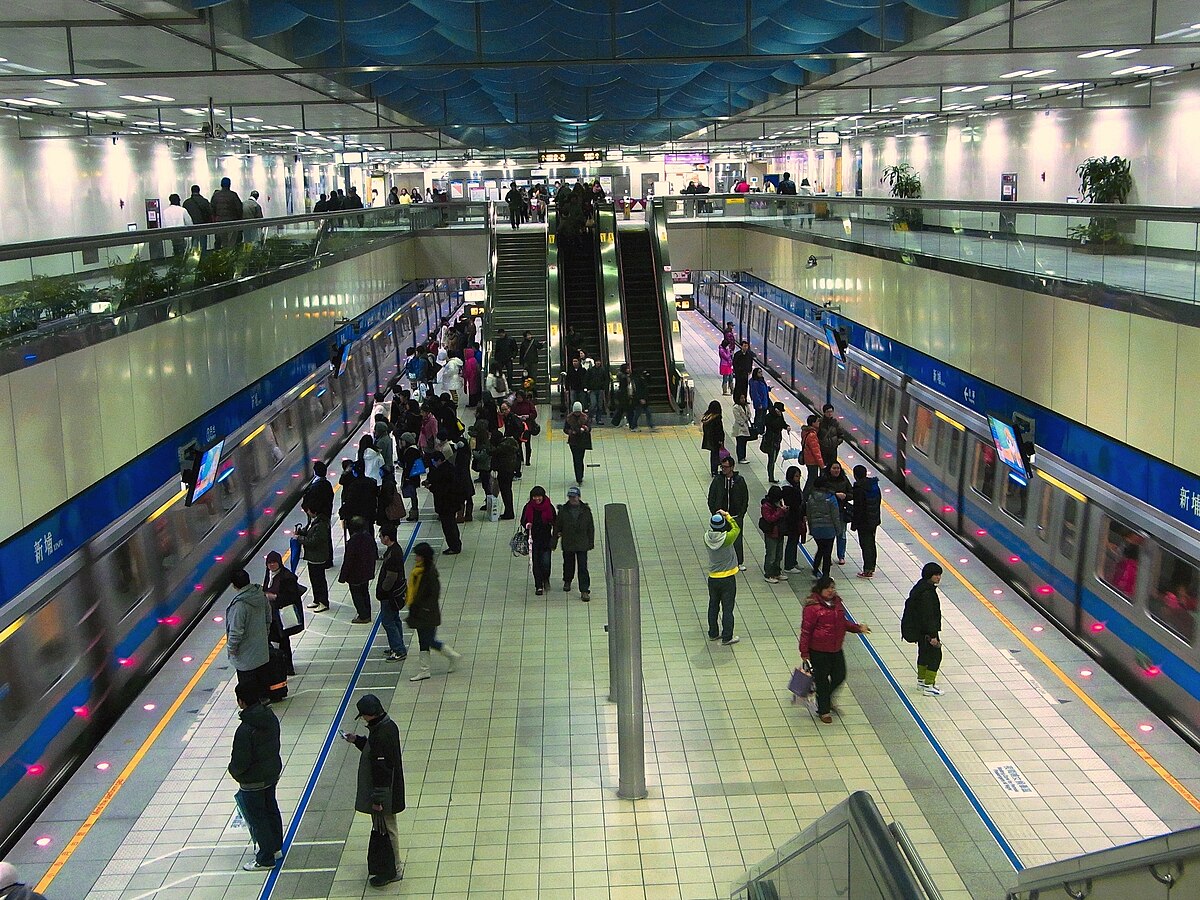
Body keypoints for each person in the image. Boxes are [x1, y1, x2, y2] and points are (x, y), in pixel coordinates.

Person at [342, 694, 405, 888]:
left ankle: (394, 867)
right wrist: (358, 740)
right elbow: (375, 750)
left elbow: (382, 769)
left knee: (388, 829)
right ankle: (392, 865)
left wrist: (378, 800)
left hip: (385, 793)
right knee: (387, 827)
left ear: (368, 715)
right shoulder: (387, 726)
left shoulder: (381, 734)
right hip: (389, 790)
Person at [228, 682, 283, 871]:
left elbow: (240, 762)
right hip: (271, 774)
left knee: (258, 818)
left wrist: (233, 771)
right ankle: (276, 847)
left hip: (253, 781)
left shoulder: (245, 730)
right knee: (271, 809)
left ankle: (265, 858)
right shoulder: (270, 717)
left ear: (241, 701)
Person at [800, 577, 870, 723]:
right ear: (820, 590)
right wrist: (804, 652)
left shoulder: (837, 603)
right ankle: (823, 710)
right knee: (822, 680)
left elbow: (842, 622)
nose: (831, 591)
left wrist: (857, 628)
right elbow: (806, 630)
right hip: (818, 650)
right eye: (828, 588)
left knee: (839, 675)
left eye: (833, 587)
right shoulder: (812, 607)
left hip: (836, 648)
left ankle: (826, 698)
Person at [405, 542, 461, 680]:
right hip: (419, 612)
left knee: (428, 640)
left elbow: (433, 594)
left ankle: (452, 655)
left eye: (418, 555)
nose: (415, 558)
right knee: (423, 642)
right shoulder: (418, 571)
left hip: (427, 613)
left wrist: (423, 608)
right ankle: (425, 670)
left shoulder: (429, 573)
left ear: (424, 557)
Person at [226, 569, 271, 701]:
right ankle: (265, 703)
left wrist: (231, 649)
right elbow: (268, 618)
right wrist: (264, 636)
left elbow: (236, 631)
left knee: (249, 690)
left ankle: (253, 709)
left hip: (245, 657)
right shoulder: (261, 595)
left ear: (234, 585)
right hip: (261, 652)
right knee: (262, 685)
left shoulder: (240, 605)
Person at [902, 563, 945, 696]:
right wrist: (933, 636)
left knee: (923, 654)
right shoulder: (927, 593)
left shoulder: (919, 588)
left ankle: (921, 681)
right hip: (927, 631)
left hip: (919, 630)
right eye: (936, 575)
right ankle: (929, 685)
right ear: (929, 576)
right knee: (935, 655)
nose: (939, 578)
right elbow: (928, 616)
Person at [262, 550, 301, 685]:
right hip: (271, 615)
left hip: (282, 616)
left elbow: (292, 596)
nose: (272, 565)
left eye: (274, 562)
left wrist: (276, 597)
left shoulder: (287, 577)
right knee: (273, 641)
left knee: (283, 641)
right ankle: (278, 666)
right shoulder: (269, 574)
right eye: (269, 563)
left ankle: (288, 666)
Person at [704, 511, 741, 646]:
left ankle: (713, 633)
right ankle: (727, 636)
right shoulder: (727, 538)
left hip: (713, 578)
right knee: (727, 608)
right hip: (727, 578)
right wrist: (728, 516)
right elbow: (736, 528)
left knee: (713, 606)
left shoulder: (706, 537)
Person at [707, 455, 750, 570]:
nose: (723, 469)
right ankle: (725, 561)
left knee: (737, 539)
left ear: (732, 467)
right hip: (721, 517)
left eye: (726, 467)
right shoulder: (718, 480)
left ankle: (739, 562)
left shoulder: (739, 480)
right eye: (722, 467)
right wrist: (714, 512)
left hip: (735, 515)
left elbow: (745, 497)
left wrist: (741, 513)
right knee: (723, 541)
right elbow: (711, 496)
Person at [376, 525, 408, 661]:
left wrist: (383, 590)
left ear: (387, 537)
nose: (380, 538)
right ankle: (397, 645)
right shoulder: (395, 549)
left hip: (390, 595)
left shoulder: (393, 554)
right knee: (394, 619)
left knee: (388, 621)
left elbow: (391, 577)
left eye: (381, 536)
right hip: (394, 594)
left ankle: (398, 649)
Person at [556, 486, 594, 601]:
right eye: (570, 497)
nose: (572, 499)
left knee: (583, 567)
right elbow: (558, 526)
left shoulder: (585, 510)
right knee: (568, 564)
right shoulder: (563, 511)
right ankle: (567, 580)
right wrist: (553, 541)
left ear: (579, 497)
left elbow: (590, 527)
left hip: (582, 543)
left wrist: (590, 542)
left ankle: (584, 590)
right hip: (568, 542)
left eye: (574, 496)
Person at [340, 517, 379, 624]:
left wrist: (343, 576)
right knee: (365, 592)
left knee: (357, 595)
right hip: (366, 571)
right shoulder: (368, 537)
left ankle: (363, 615)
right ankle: (367, 613)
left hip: (355, 574)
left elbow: (348, 560)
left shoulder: (353, 541)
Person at [425, 448, 463, 555]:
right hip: (450, 503)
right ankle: (456, 544)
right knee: (451, 525)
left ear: (439, 460)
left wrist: (431, 487)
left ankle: (454, 546)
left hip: (446, 503)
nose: (433, 463)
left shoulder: (445, 471)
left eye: (434, 461)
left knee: (448, 526)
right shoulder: (447, 468)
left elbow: (442, 489)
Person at [522, 486, 557, 595]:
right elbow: (523, 520)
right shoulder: (528, 507)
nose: (537, 499)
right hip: (533, 540)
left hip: (546, 539)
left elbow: (555, 521)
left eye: (539, 496)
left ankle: (545, 578)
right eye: (534, 497)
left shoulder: (549, 507)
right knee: (536, 563)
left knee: (546, 563)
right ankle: (538, 585)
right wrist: (527, 524)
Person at [817, 461, 853, 565]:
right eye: (834, 468)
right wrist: (835, 494)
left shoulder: (844, 479)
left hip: (841, 511)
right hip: (828, 512)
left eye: (838, 468)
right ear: (829, 469)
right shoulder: (825, 481)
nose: (836, 470)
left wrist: (846, 496)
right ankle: (827, 556)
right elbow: (821, 492)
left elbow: (851, 492)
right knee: (829, 535)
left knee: (841, 534)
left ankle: (841, 556)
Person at [851, 465, 882, 578]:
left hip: (864, 522)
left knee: (865, 545)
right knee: (872, 543)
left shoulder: (859, 489)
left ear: (855, 475)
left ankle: (867, 570)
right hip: (874, 520)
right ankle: (872, 566)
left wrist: (854, 524)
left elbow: (858, 508)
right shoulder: (874, 485)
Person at [806, 484, 841, 578]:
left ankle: (815, 570)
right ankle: (826, 575)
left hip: (816, 529)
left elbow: (809, 515)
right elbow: (835, 516)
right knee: (827, 553)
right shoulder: (831, 498)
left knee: (820, 549)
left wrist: (811, 528)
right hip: (829, 530)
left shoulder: (811, 498)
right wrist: (838, 530)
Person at [759, 485, 788, 583]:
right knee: (771, 555)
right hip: (771, 533)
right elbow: (770, 518)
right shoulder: (766, 506)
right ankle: (768, 574)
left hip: (780, 532)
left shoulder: (778, 503)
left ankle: (777, 572)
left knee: (779, 554)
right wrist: (780, 511)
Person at [781, 466, 807, 573]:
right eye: (796, 476)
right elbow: (794, 503)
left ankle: (793, 562)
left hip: (797, 518)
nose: (798, 478)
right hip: (791, 519)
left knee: (795, 540)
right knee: (792, 540)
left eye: (799, 476)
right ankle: (788, 565)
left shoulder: (795, 486)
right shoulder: (787, 488)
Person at [760, 401, 790, 484]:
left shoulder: (780, 415)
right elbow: (773, 426)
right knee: (771, 459)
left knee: (774, 459)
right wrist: (778, 419)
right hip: (770, 441)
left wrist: (787, 426)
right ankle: (771, 477)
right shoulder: (768, 417)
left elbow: (782, 423)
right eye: (779, 411)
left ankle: (771, 475)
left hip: (777, 440)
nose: (781, 413)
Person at [210, 176, 243, 248]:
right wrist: (239, 220)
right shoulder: (233, 195)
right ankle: (230, 257)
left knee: (222, 242)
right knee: (231, 244)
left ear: (221, 185)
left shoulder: (216, 196)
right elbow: (239, 208)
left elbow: (212, 210)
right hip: (232, 223)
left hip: (220, 223)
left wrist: (214, 221)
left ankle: (222, 257)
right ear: (229, 185)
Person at [564, 401, 592, 485]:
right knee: (576, 459)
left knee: (580, 458)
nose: (577, 413)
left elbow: (589, 428)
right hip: (573, 442)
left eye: (578, 412)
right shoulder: (569, 418)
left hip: (582, 441)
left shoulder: (585, 418)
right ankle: (578, 477)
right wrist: (571, 432)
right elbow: (565, 429)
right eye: (576, 411)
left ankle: (580, 475)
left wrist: (585, 428)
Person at [817, 404, 849, 474]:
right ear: (824, 412)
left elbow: (841, 435)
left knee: (832, 467)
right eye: (828, 412)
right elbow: (816, 435)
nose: (830, 413)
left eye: (831, 411)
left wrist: (836, 443)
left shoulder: (836, 423)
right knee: (823, 468)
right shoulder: (820, 423)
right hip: (823, 450)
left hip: (833, 450)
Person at [162, 193, 193, 257]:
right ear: (178, 200)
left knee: (176, 249)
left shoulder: (165, 211)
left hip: (171, 235)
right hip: (182, 235)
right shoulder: (182, 210)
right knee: (183, 252)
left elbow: (163, 225)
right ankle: (181, 263)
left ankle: (177, 261)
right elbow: (189, 223)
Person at [700, 400, 726, 477]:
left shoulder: (707, 417)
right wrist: (721, 440)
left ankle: (713, 470)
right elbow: (719, 431)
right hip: (716, 440)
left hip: (709, 439)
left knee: (713, 455)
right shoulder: (717, 418)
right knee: (716, 455)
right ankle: (716, 470)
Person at [801, 414, 825, 492]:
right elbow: (816, 452)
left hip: (809, 460)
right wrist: (821, 465)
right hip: (812, 461)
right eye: (817, 421)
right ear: (813, 423)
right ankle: (805, 498)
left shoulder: (806, 432)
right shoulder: (812, 435)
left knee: (811, 478)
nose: (819, 423)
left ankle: (806, 496)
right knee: (812, 480)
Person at [748, 368, 770, 435]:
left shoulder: (761, 380)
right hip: (760, 403)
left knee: (762, 417)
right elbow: (755, 394)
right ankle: (758, 430)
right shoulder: (755, 382)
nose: (761, 373)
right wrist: (759, 403)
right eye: (759, 372)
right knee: (759, 417)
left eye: (761, 372)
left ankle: (761, 430)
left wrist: (768, 389)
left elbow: (763, 389)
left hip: (764, 402)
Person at [731, 393, 752, 463]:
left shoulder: (746, 406)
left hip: (745, 427)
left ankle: (743, 457)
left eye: (744, 398)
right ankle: (740, 458)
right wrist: (743, 423)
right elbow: (738, 418)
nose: (743, 399)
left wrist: (748, 417)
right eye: (741, 398)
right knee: (740, 443)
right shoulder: (736, 407)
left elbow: (749, 414)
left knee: (744, 442)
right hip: (739, 428)